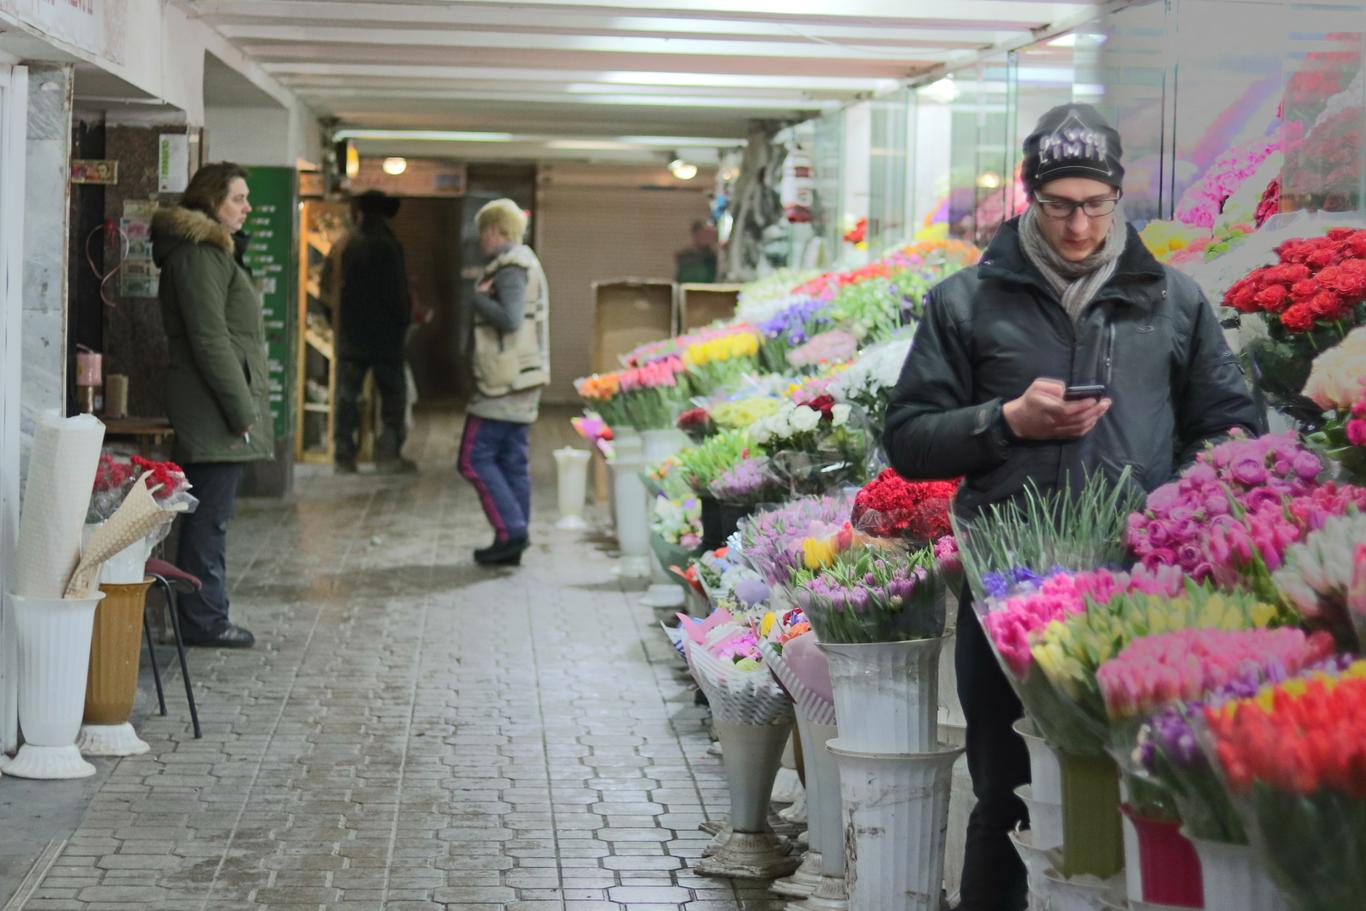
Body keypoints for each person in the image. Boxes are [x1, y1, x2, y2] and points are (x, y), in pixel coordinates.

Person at [882, 104, 1260, 911]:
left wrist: (1166, 510)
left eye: (1095, 203)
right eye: (1059, 205)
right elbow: (908, 438)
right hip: (1007, 599)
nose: (1079, 222)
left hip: (1134, 599)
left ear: (1118, 198)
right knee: (1006, 795)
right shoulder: (967, 301)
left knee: (1136, 797)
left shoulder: (1173, 301)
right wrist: (1003, 421)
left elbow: (1231, 428)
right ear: (1030, 199)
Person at [152, 162, 274, 648]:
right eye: (238, 199)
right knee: (209, 519)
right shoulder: (201, 255)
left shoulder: (213, 253)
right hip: (213, 410)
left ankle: (205, 613)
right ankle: (204, 620)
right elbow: (210, 340)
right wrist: (240, 409)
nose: (246, 208)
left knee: (210, 516)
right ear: (210, 202)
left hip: (215, 407)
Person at [458, 199, 550, 567]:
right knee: (512, 460)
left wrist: (477, 299)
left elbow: (510, 319)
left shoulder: (511, 268)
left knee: (473, 457)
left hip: (504, 381)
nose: (481, 240)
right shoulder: (526, 262)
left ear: (495, 231)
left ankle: (511, 530)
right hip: (522, 378)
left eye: (483, 232)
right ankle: (512, 536)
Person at [333, 190, 414, 473]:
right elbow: (397, 293)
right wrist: (403, 322)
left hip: (351, 337)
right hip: (386, 339)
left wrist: (338, 323)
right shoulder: (388, 245)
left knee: (347, 397)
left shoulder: (346, 244)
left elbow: (326, 287)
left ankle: (344, 453)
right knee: (393, 398)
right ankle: (388, 454)